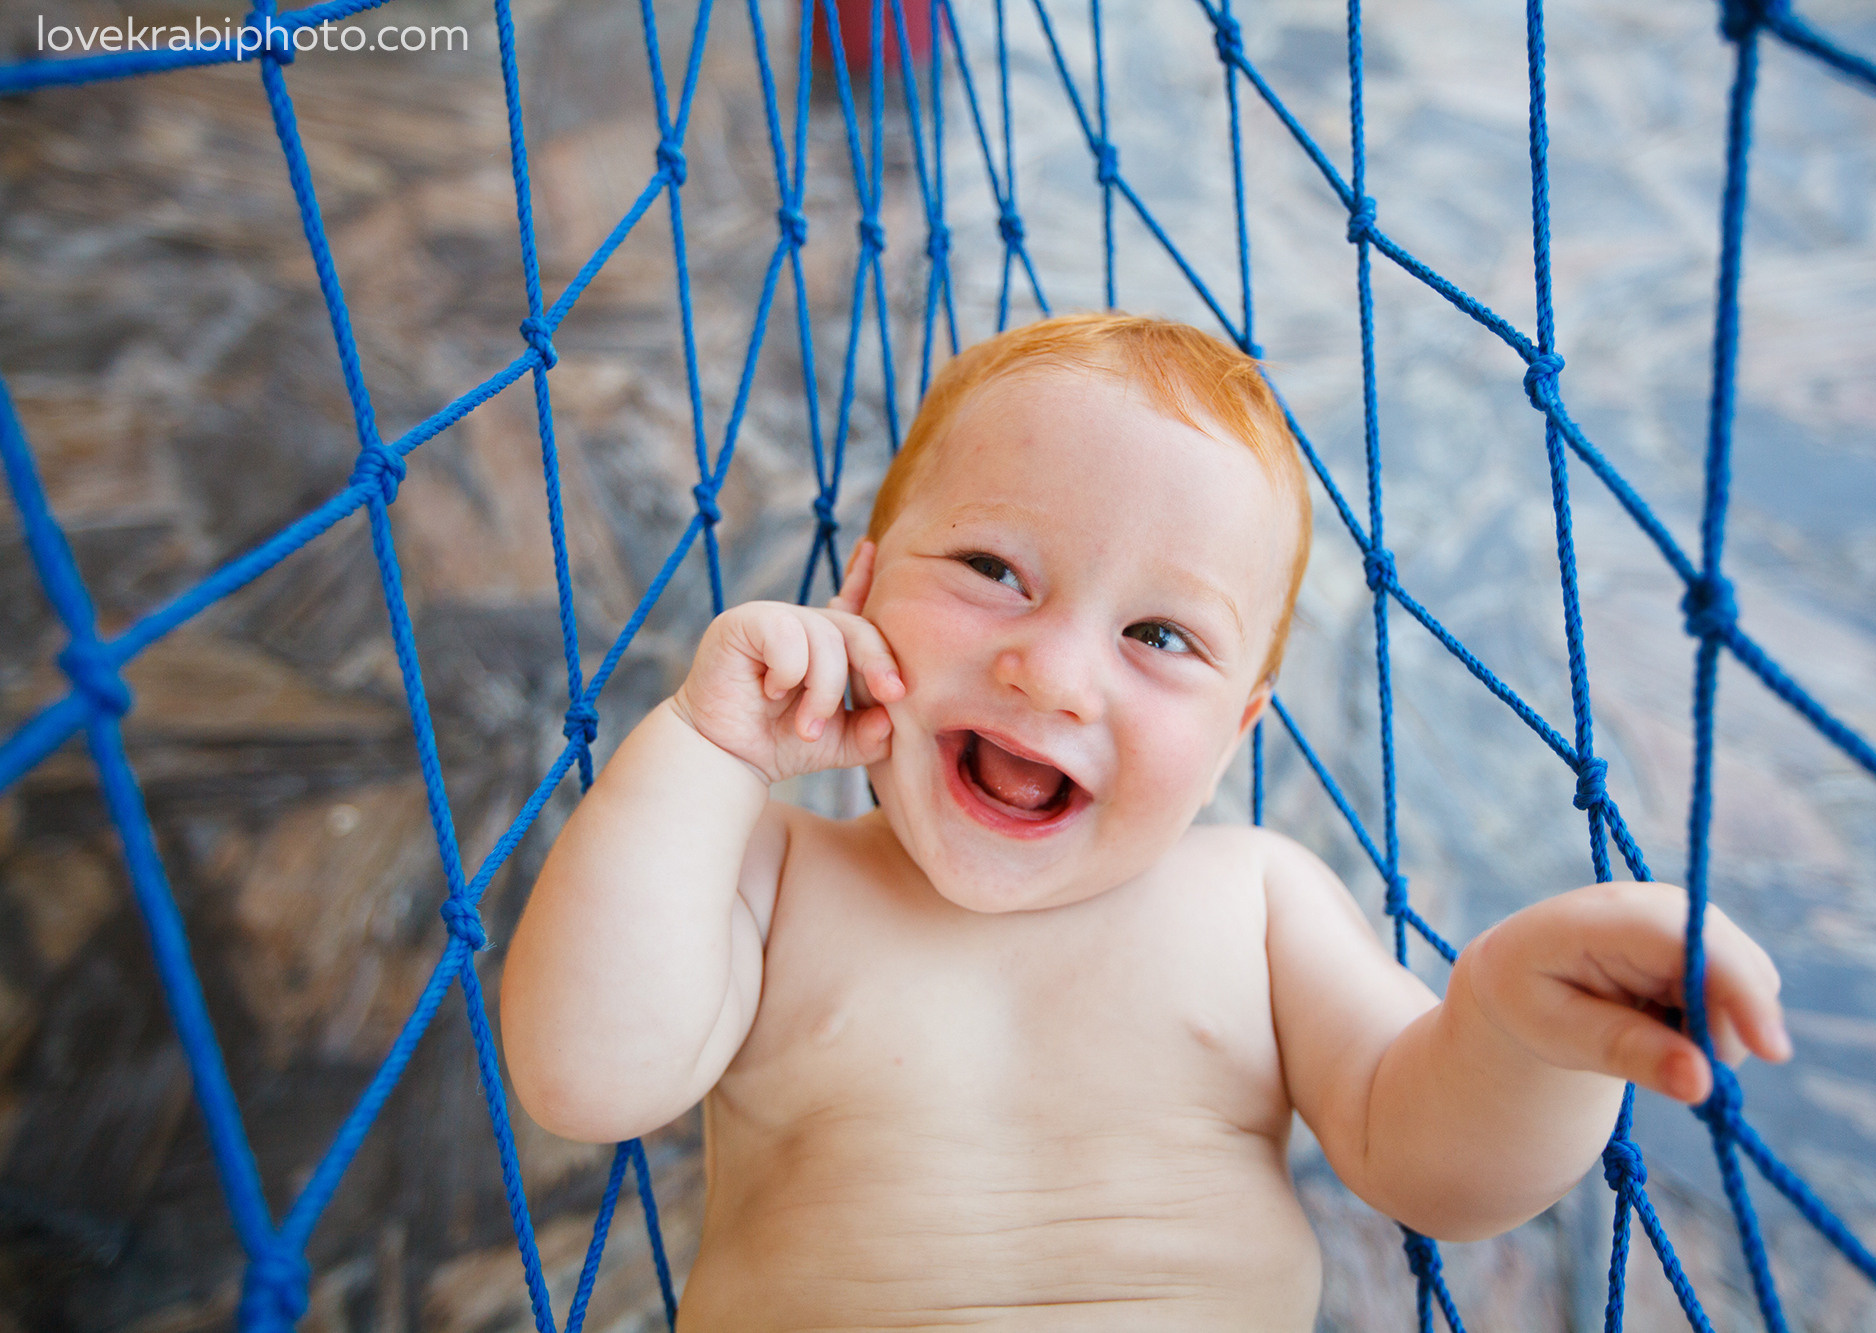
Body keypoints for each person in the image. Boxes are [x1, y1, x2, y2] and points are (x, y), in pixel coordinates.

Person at [499, 312, 1790, 1330]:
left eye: (1160, 636)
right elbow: (582, 1078)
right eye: (993, 570)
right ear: (860, 590)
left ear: (1237, 732)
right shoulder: (772, 874)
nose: (1054, 675)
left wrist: (1515, 1026)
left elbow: (1436, 1169)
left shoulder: (1259, 904)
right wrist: (710, 748)